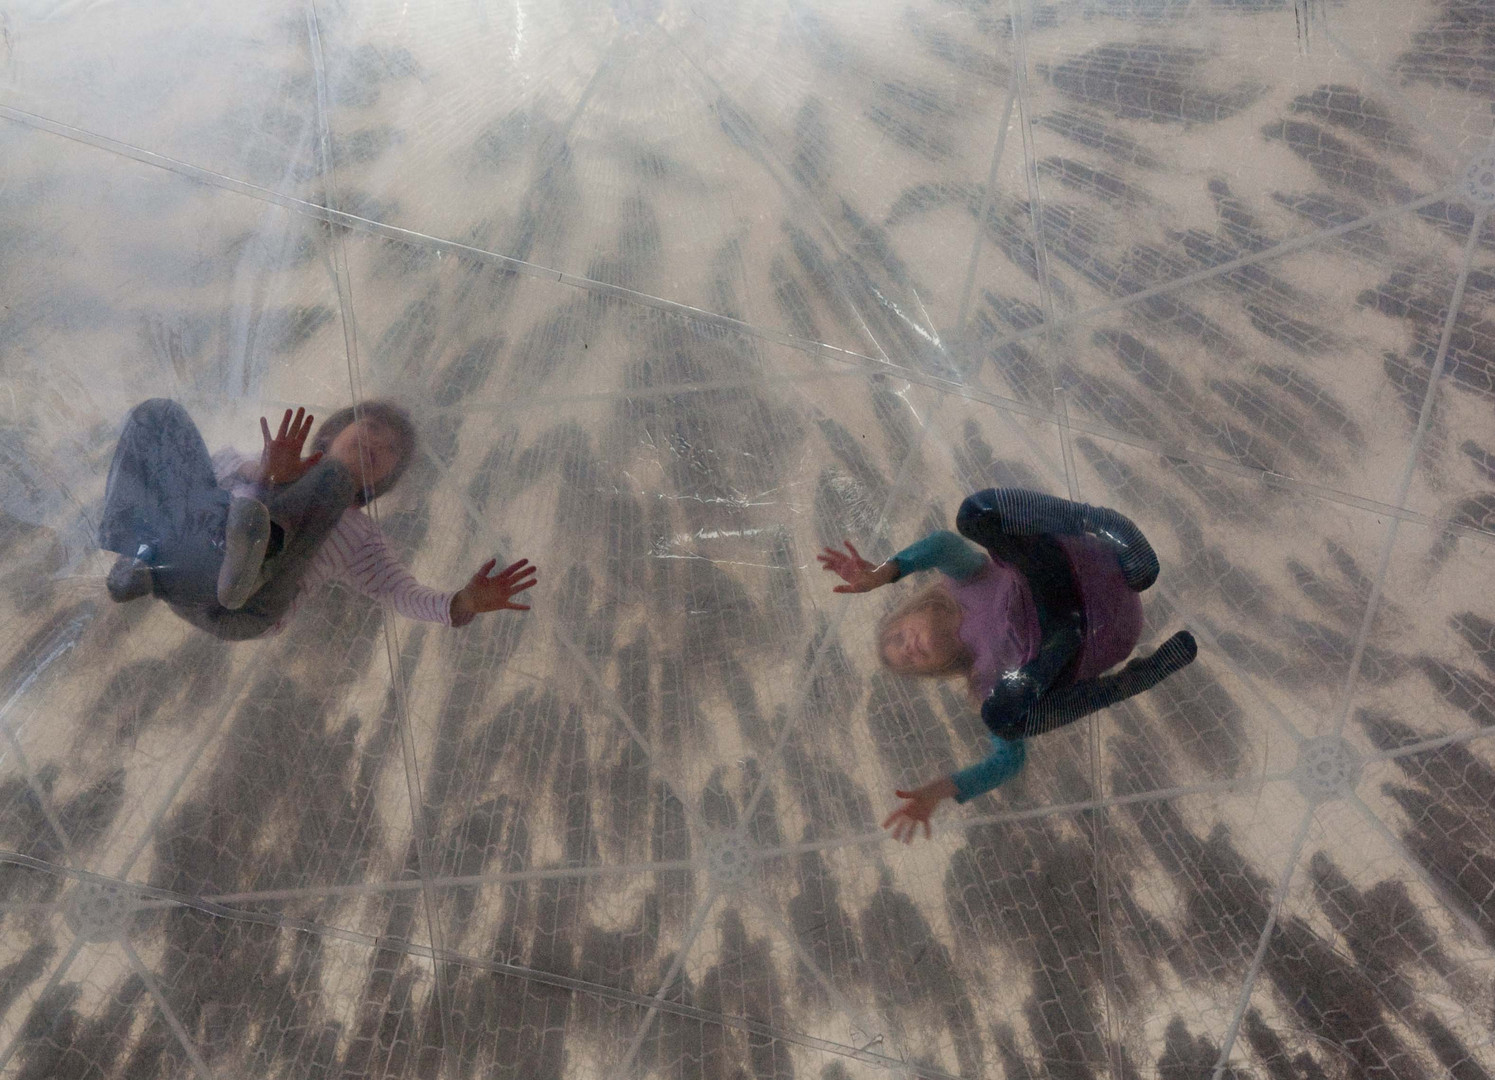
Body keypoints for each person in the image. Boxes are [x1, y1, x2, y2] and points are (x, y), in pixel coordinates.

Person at [819, 488, 1197, 843]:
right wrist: (943, 791)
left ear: (913, 612)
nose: (910, 649)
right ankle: (1130, 681)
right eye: (909, 661)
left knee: (973, 514)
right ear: (930, 670)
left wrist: (882, 574)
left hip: (1072, 574)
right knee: (1000, 719)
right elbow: (1007, 761)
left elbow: (942, 544)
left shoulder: (963, 580)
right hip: (1096, 637)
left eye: (900, 637)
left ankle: (1102, 523)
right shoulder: (983, 680)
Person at [99, 399, 537, 640]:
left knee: (330, 481)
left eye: (388, 452)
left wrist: (461, 605)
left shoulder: (361, 536)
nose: (375, 445)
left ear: (382, 482)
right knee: (158, 415)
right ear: (331, 432)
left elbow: (403, 593)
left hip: (243, 606)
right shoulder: (253, 459)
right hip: (187, 569)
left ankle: (247, 568)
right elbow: (189, 487)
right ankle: (139, 556)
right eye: (370, 429)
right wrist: (266, 474)